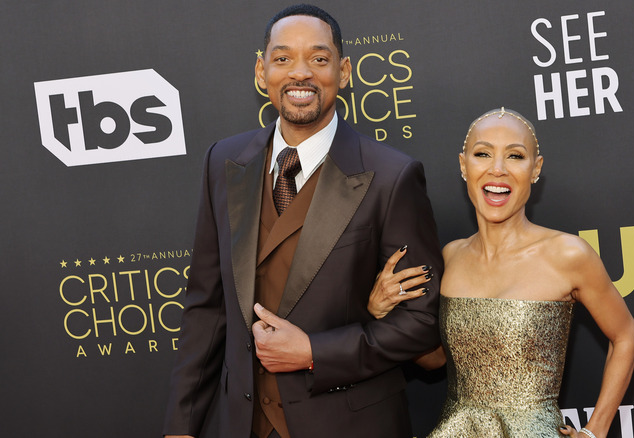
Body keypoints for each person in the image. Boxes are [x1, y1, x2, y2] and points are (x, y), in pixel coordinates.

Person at [162, 4, 442, 438]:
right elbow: (207, 308)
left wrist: (314, 351)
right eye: (282, 58)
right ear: (261, 71)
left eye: (319, 58)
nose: (300, 73)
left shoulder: (391, 176)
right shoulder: (223, 161)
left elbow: (422, 324)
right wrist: (181, 428)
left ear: (344, 71)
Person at [369, 107, 634, 437]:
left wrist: (595, 430)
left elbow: (624, 335)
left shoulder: (568, 254)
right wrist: (386, 316)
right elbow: (435, 359)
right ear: (463, 166)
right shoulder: (449, 257)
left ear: (535, 168)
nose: (498, 170)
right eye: (483, 154)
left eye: (515, 156)